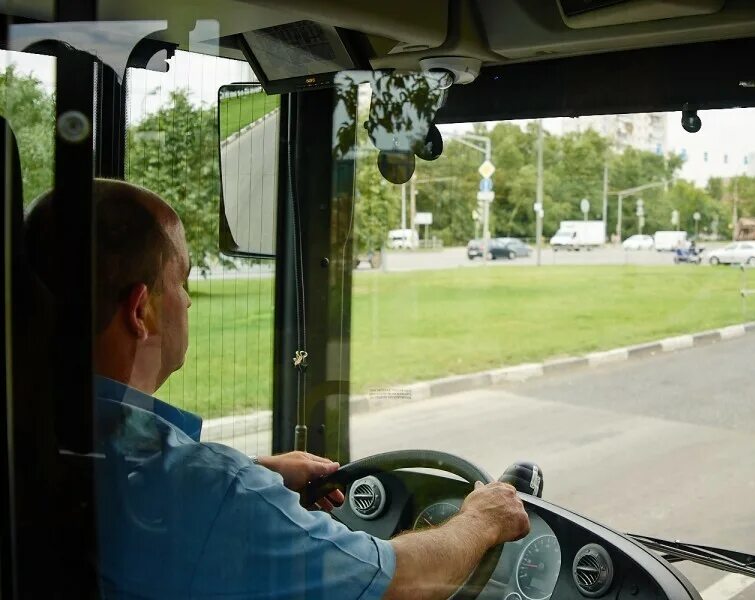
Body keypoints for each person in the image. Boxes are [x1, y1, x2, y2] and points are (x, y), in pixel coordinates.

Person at [23, 179, 530, 600]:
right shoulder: (203, 492)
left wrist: (254, 474)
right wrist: (481, 521)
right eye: (183, 282)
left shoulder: (34, 433)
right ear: (142, 311)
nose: (190, 303)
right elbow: (402, 581)